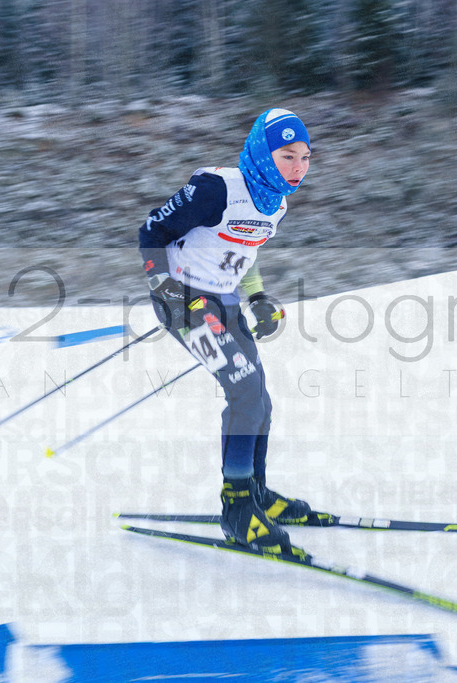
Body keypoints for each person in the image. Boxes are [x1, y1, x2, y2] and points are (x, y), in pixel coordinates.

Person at [138, 108, 313, 556]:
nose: (297, 167)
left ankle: (256, 494)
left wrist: (257, 299)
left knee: (260, 400)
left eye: (305, 157)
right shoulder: (217, 188)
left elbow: (243, 254)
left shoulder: (276, 202)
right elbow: (152, 230)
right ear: (261, 151)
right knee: (246, 394)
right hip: (184, 301)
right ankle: (237, 510)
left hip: (224, 300)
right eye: (287, 155)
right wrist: (164, 287)